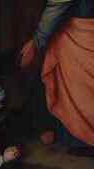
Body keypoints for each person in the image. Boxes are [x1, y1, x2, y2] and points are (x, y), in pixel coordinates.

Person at [20, 0, 94, 153]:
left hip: (79, 35)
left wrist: (37, 41)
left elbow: (57, 5)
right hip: (84, 32)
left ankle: (82, 141)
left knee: (79, 91)